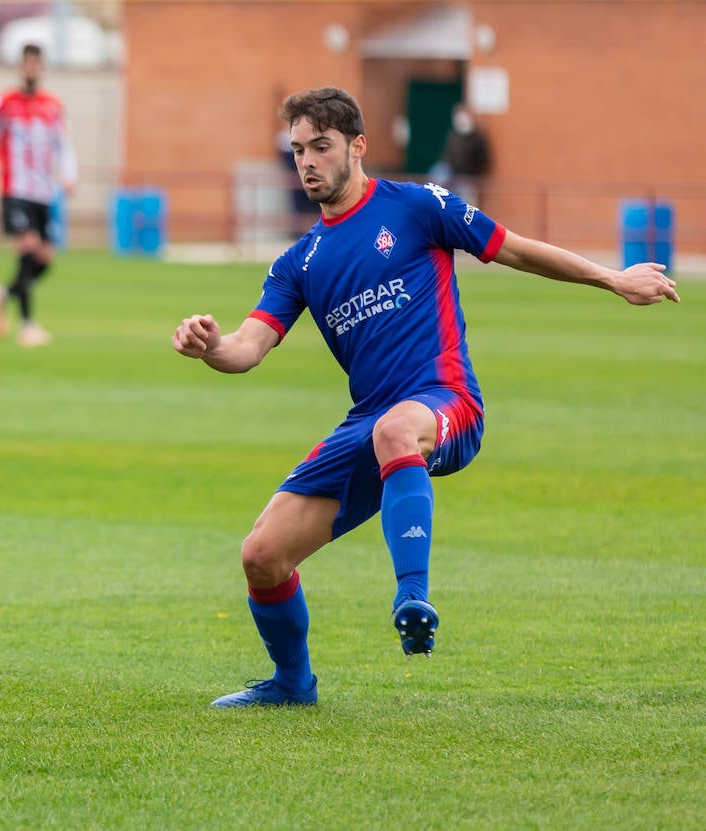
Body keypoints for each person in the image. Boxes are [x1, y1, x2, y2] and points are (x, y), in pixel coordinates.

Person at [172, 87, 678, 708]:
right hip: (371, 423)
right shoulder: (298, 262)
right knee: (261, 556)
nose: (307, 162)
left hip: (445, 401)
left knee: (393, 430)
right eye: (298, 149)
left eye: (321, 147)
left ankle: (412, 597)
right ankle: (292, 685)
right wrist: (210, 345)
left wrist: (612, 278)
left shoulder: (417, 207)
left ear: (358, 147)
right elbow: (247, 348)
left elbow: (513, 247)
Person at [0, 42, 77, 347]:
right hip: (14, 190)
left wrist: (69, 175)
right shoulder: (3, 103)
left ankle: (2, 295)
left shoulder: (52, 106)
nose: (31, 69)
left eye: (36, 64)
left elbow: (64, 146)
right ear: (21, 67)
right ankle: (28, 326)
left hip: (44, 192)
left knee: (44, 260)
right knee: (28, 249)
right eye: (27, 63)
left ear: (41, 68)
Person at [430, 103, 491, 205]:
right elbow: (447, 154)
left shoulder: (477, 137)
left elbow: (482, 159)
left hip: (467, 174)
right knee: (437, 175)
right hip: (451, 170)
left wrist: (473, 174)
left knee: (466, 197)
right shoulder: (453, 135)